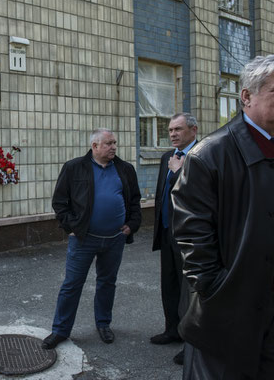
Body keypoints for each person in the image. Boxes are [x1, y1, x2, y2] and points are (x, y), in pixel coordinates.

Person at [172, 54, 274, 379]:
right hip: (228, 318)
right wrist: (216, 290)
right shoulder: (209, 155)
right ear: (247, 96)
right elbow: (192, 235)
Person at [43, 128, 142, 349]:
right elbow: (60, 202)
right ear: (95, 146)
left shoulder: (125, 169)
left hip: (115, 239)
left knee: (107, 283)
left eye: (114, 143)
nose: (113, 147)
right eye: (108, 143)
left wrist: (132, 225)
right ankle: (60, 330)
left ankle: (103, 324)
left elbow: (135, 201)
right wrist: (71, 227)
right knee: (71, 285)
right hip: (83, 239)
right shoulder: (74, 167)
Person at [150, 113, 197, 365]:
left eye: (178, 129)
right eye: (170, 130)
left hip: (191, 236)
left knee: (189, 292)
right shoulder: (167, 157)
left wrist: (180, 173)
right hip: (168, 232)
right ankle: (172, 330)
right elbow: (162, 195)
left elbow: (199, 194)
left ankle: (191, 343)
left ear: (193, 130)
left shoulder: (202, 156)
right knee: (169, 283)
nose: (173, 134)